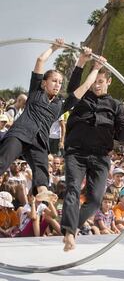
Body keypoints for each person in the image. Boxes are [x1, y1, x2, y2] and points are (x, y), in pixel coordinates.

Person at [60, 53, 124, 252]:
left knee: (95, 200)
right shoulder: (81, 98)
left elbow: (122, 136)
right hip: (76, 153)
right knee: (72, 188)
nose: (96, 85)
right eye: (94, 81)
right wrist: (83, 64)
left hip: (100, 156)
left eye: (100, 81)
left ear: (108, 81)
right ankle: (70, 233)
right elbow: (73, 87)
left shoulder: (116, 106)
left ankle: (73, 226)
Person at [0, 39, 86, 201]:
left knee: (42, 169)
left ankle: (42, 190)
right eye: (54, 81)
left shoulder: (61, 105)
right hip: (20, 133)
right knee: (3, 160)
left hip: (39, 141)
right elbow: (40, 61)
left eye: (60, 82)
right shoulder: (35, 92)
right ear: (44, 83)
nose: (57, 84)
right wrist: (54, 47)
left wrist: (93, 67)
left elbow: (82, 89)